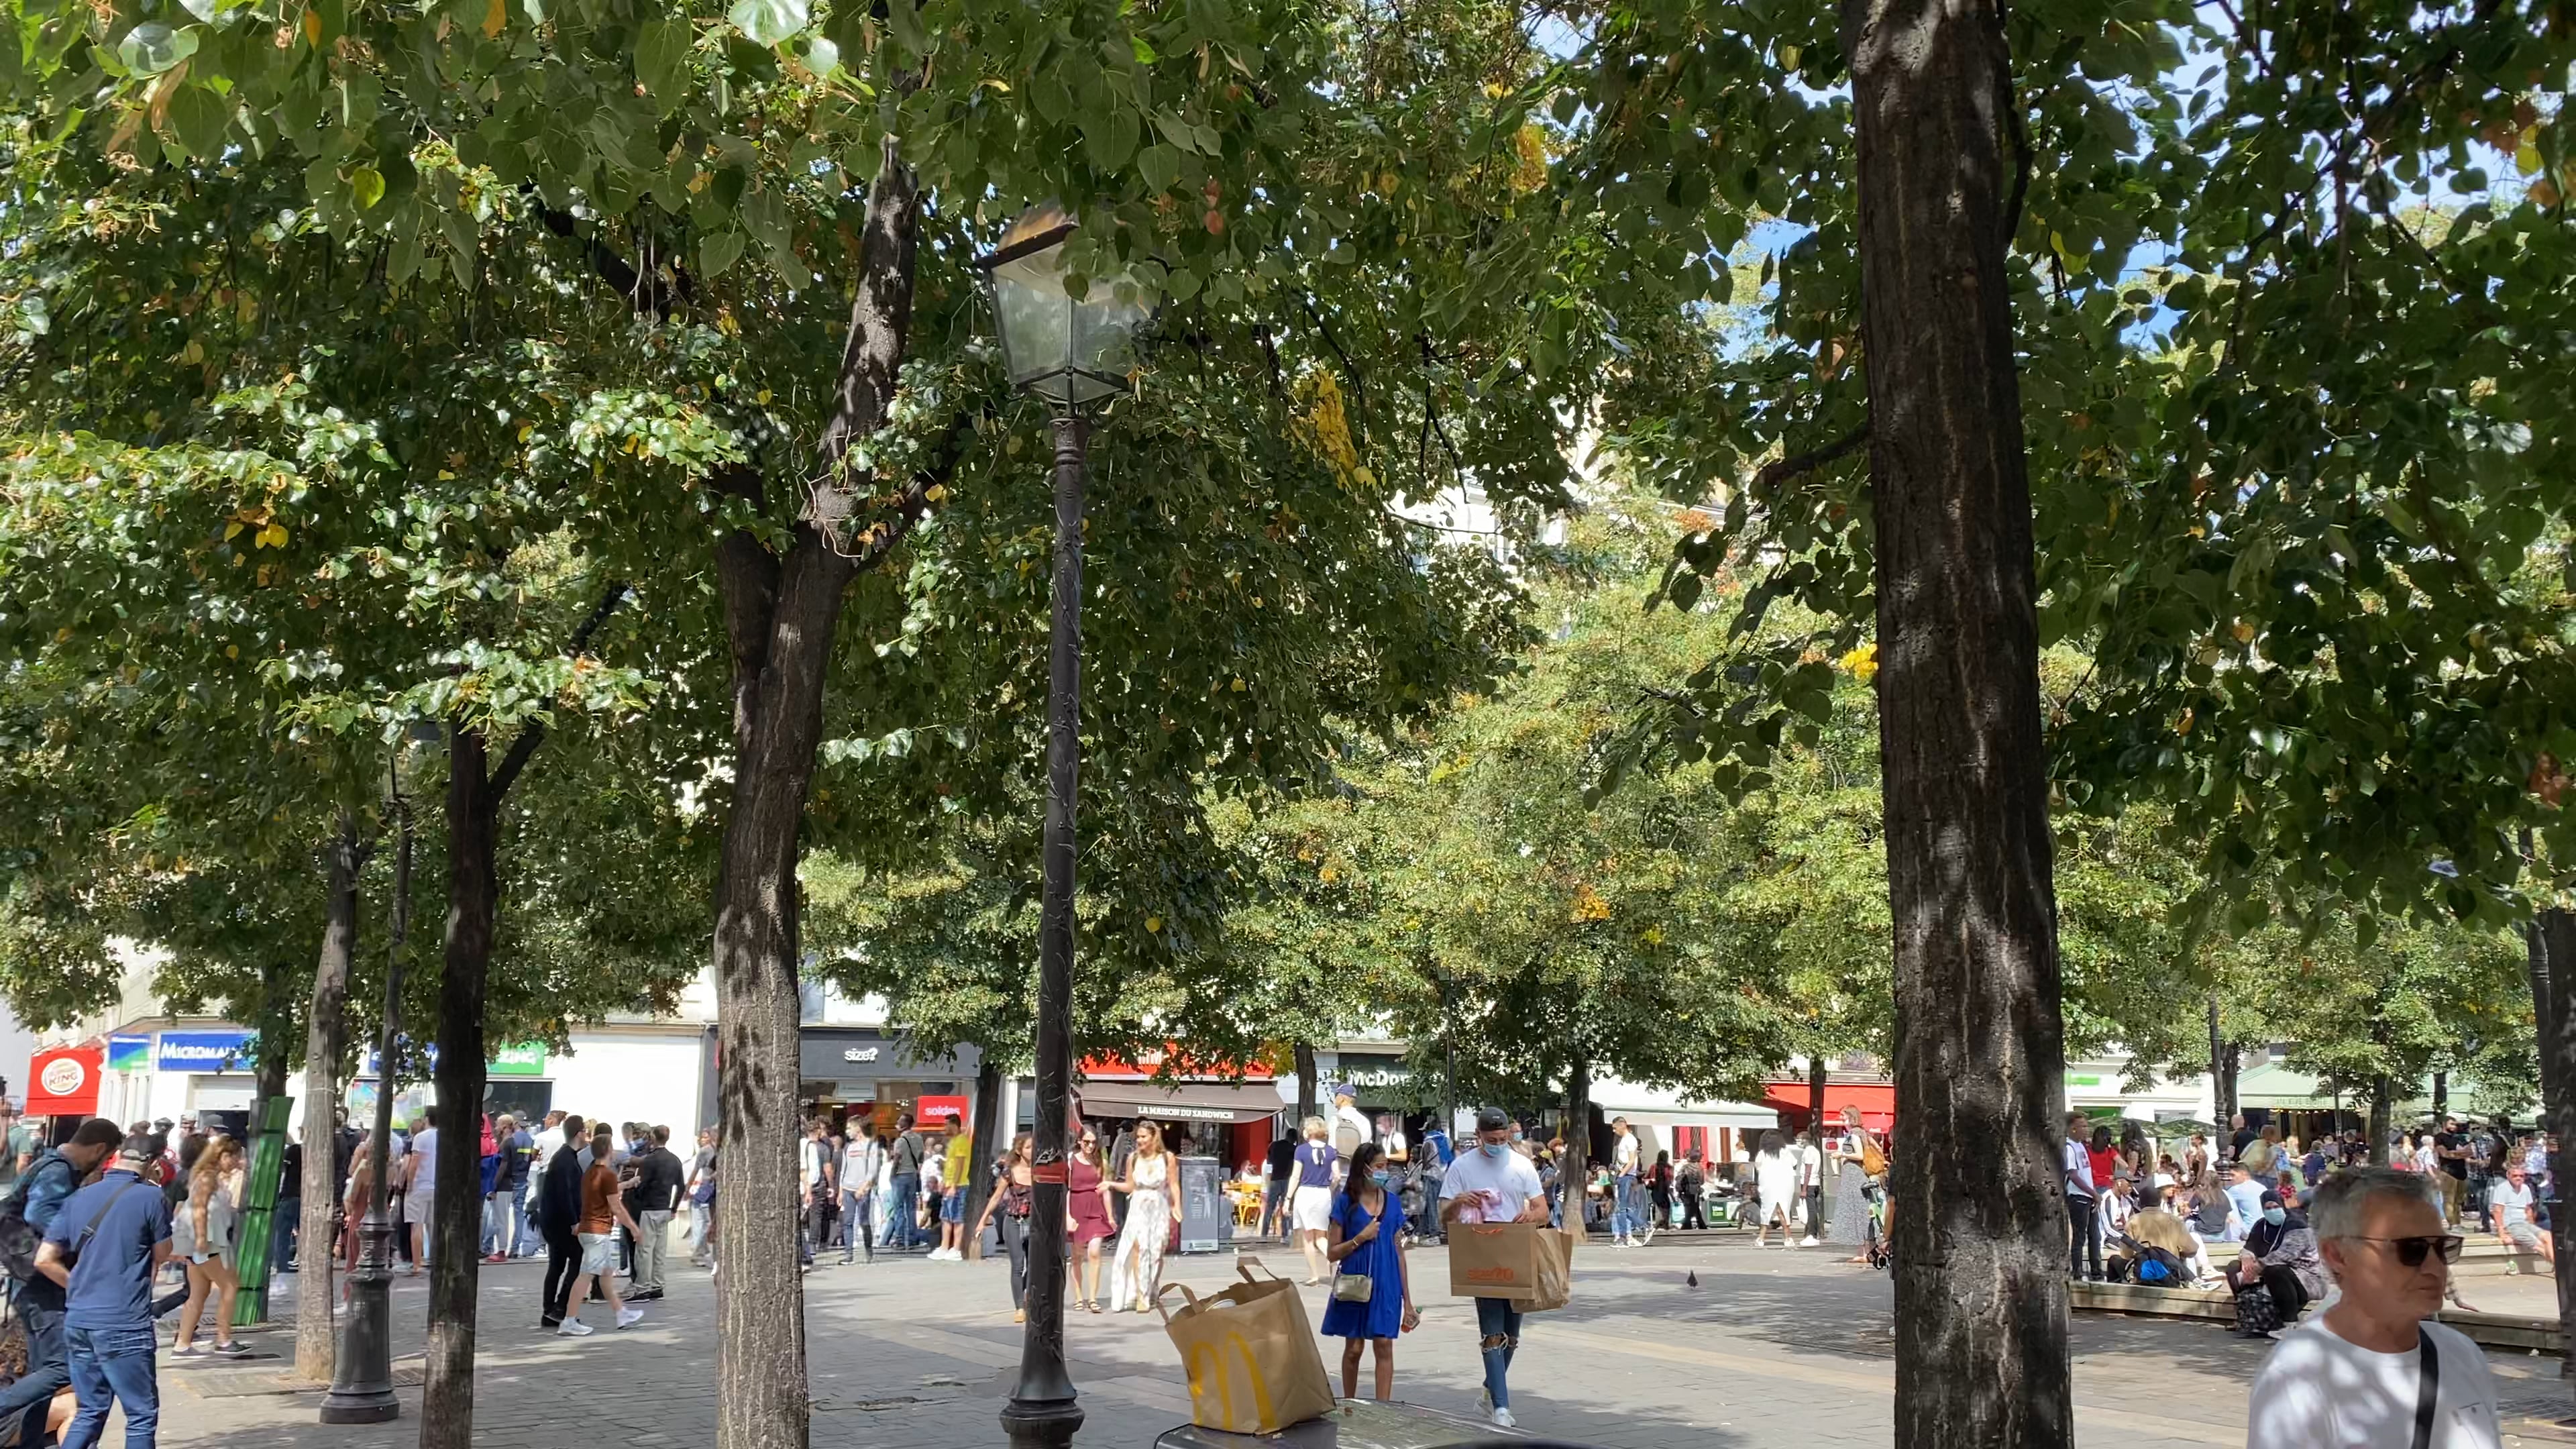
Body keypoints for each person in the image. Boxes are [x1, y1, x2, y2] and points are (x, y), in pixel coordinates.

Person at [2244, 1167, 2498, 1444]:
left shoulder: (2462, 1354)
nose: (2435, 1267)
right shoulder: (2297, 1378)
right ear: (2338, 1255)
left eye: (2443, 1247)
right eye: (2411, 1249)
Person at [37, 1132, 171, 1449]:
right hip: (124, 1321)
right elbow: (163, 1253)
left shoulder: (79, 1197)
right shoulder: (151, 1198)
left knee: (89, 1410)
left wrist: (77, 1287)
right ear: (154, 1163)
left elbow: (44, 1259)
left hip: (79, 1320)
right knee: (140, 1415)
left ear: (118, 1156)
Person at [0, 1120, 123, 1434]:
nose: (103, 1164)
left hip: (31, 1284)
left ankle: (33, 1435)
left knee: (43, 1370)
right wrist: (89, 1240)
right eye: (106, 1157)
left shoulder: (48, 1163)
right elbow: (40, 1214)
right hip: (41, 1288)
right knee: (64, 1366)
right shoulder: (57, 1170)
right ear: (99, 1149)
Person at [1440, 1108, 1548, 1430]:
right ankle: (1501, 1407)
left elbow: (1542, 1209)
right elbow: (1444, 1215)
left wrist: (1531, 1216)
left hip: (1516, 1249)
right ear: (1479, 1136)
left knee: (1511, 1336)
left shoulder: (1521, 1165)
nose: (1499, 1144)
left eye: (1503, 1139)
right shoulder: (1462, 1167)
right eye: (1492, 1139)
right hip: (1480, 1251)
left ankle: (1489, 1391)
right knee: (1492, 1332)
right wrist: (1460, 1201)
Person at [1321, 1142, 1419, 1402]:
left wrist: (1408, 1302)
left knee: (1384, 1345)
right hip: (1355, 1282)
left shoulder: (1393, 1203)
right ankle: (1349, 1404)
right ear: (1364, 1168)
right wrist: (1360, 1238)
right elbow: (1332, 1253)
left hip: (1387, 1283)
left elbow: (1399, 1252)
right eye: (1379, 1166)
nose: (1384, 1171)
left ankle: (1382, 1409)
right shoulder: (1346, 1203)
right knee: (1354, 1348)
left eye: (1386, 1166)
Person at [560, 1127, 646, 1338]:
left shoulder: (591, 1173)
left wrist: (626, 1184)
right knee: (586, 1276)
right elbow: (616, 1206)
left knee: (606, 1274)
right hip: (598, 1231)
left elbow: (605, 1192)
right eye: (612, 1147)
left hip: (590, 1229)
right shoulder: (607, 1174)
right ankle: (569, 1321)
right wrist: (634, 1228)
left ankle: (621, 1314)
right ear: (608, 1150)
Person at [168, 1136, 246, 1358]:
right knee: (229, 1286)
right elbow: (199, 1209)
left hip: (202, 1241)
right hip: (209, 1241)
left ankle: (183, 1344)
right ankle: (223, 1339)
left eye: (237, 1157)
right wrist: (202, 1238)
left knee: (198, 1293)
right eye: (231, 1156)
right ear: (220, 1155)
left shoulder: (208, 1176)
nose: (235, 1161)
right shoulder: (208, 1177)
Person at [2226, 1189, 2325, 1339]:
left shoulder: (2296, 1225)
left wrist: (2257, 1267)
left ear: (2282, 1205)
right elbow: (2249, 1246)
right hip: (2267, 1272)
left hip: (2306, 1278)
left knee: (2276, 1270)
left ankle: (2289, 1324)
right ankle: (2246, 1317)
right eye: (2268, 1208)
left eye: (2275, 1207)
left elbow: (2286, 1255)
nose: (2273, 1211)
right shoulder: (2262, 1225)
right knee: (2234, 1267)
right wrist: (2246, 1258)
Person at [1107, 1120, 1180, 1313]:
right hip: (1138, 1205)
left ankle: (1152, 1287)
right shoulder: (1133, 1158)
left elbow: (1174, 1184)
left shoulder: (1167, 1158)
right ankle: (1140, 1295)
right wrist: (1111, 1184)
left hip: (1159, 1206)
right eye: (1137, 1137)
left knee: (1156, 1252)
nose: (1139, 1140)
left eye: (1143, 1137)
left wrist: (1177, 1207)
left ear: (1153, 1137)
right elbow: (1130, 1186)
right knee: (1139, 1249)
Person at [971, 1134, 1036, 1322]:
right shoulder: (1010, 1172)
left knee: (1034, 1265)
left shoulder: (1039, 1171)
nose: (1032, 1151)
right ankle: (1020, 1308)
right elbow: (996, 1197)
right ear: (1019, 1151)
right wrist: (982, 1220)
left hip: (1033, 1222)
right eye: (1028, 1147)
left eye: (1034, 1147)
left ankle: (1025, 1296)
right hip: (1014, 1221)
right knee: (1018, 1265)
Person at [538, 1113, 590, 1330]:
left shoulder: (565, 1157)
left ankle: (550, 1312)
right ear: (579, 1134)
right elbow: (565, 1194)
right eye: (585, 1132)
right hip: (561, 1224)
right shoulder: (566, 1160)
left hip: (554, 1222)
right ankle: (559, 1309)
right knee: (577, 1260)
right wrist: (573, 1222)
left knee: (557, 1266)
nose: (587, 1136)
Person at [627, 1126, 684, 1301]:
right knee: (659, 1250)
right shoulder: (675, 1160)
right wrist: (674, 1208)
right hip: (665, 1208)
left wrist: (636, 1195)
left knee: (644, 1250)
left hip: (650, 1208)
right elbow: (681, 1187)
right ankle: (657, 1285)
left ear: (653, 1137)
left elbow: (642, 1184)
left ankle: (643, 1288)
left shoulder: (649, 1160)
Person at [1067, 1128, 1116, 1313]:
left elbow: (1105, 1190)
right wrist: (1067, 1215)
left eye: (1094, 1142)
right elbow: (1067, 1190)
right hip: (1076, 1208)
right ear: (1079, 1141)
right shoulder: (1071, 1161)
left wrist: (1110, 1216)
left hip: (1095, 1209)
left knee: (1095, 1252)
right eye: (1087, 1142)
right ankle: (1079, 1297)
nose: (1090, 1146)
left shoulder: (1100, 1162)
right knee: (1077, 1255)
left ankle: (1093, 1298)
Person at [1291, 1116, 1340, 1285]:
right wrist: (1330, 1189)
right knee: (1321, 1236)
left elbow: (1295, 1176)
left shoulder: (1301, 1151)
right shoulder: (1331, 1151)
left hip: (1306, 1193)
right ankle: (1336, 1259)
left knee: (1308, 1238)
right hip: (1323, 1194)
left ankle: (1314, 1275)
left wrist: (1288, 1198)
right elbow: (1337, 1176)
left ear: (1309, 1132)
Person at [1830, 1106, 1878, 1261]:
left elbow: (1859, 1155)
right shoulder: (1860, 1133)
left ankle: (1865, 1252)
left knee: (1859, 1212)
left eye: (1843, 1116)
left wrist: (1841, 1154)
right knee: (1860, 1212)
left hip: (1855, 1177)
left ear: (1851, 1117)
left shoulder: (1854, 1134)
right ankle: (1866, 1252)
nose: (1841, 1119)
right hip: (1854, 1176)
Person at [2486, 1162, 2553, 1266]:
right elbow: (2497, 1211)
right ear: (2508, 1175)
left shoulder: (2525, 1188)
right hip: (2512, 1225)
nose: (2518, 1178)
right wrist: (2502, 1233)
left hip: (2525, 1224)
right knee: (2539, 1244)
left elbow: (2528, 1210)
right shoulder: (2502, 1189)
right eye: (2515, 1176)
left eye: (2521, 1176)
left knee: (2548, 1237)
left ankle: (2559, 1268)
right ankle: (2561, 1269)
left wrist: (2532, 1226)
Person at [838, 1120, 883, 1266]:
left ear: (858, 1129)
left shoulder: (871, 1145)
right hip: (848, 1188)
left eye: (849, 1128)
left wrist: (863, 1188)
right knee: (848, 1221)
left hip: (862, 1189)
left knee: (864, 1221)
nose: (847, 1131)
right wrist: (841, 1190)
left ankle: (868, 1249)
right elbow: (843, 1170)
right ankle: (848, 1254)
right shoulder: (848, 1147)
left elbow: (873, 1170)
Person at [2063, 1112, 2100, 1282]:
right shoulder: (2069, 1147)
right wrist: (2093, 1193)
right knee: (2080, 1236)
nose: (2086, 1129)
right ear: (2073, 1129)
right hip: (2078, 1196)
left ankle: (2096, 1271)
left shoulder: (2081, 1146)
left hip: (2090, 1196)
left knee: (2095, 1235)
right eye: (2082, 1126)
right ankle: (2077, 1271)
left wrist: (2093, 1193)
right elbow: (2073, 1175)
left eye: (2087, 1126)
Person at [398, 1114, 437, 1275]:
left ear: (427, 1119)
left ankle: (417, 1264)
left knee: (417, 1226)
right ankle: (436, 1261)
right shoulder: (444, 1137)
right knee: (433, 1227)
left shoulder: (421, 1138)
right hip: (436, 1186)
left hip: (419, 1186)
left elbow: (414, 1162)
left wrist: (409, 1184)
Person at [882, 1114, 924, 1251]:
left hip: (900, 1176)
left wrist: (892, 1175)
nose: (897, 1123)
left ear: (905, 1124)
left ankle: (900, 1239)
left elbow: (897, 1159)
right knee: (911, 1209)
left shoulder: (900, 1141)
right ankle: (912, 1239)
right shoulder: (918, 1138)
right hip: (912, 1176)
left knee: (899, 1208)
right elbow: (921, 1157)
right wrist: (917, 1170)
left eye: (899, 1121)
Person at [1752, 1130, 1796, 1248]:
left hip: (1768, 1184)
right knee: (1784, 1209)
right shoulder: (1786, 1152)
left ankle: (1761, 1237)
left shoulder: (1763, 1154)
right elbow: (1794, 1164)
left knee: (1766, 1210)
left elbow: (1757, 1166)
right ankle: (1788, 1237)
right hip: (1785, 1183)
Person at [796, 1118, 832, 1268]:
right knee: (810, 1218)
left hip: (806, 1188)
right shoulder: (812, 1146)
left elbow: (807, 1171)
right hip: (809, 1187)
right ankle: (808, 1251)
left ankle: (807, 1253)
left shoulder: (807, 1146)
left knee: (805, 1221)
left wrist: (808, 1190)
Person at [1607, 1116, 1642, 1248]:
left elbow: (1631, 1160)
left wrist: (1621, 1175)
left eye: (1615, 1128)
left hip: (1626, 1176)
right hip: (1624, 1175)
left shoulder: (1630, 1140)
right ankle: (1630, 1233)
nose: (1614, 1131)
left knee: (1622, 1208)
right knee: (1623, 1207)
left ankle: (1624, 1236)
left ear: (1622, 1125)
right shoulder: (1624, 1140)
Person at [686, 1128, 718, 1269]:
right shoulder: (706, 1151)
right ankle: (700, 1253)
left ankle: (708, 1254)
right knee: (708, 1224)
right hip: (708, 1190)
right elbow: (696, 1170)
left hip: (717, 1190)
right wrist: (688, 1188)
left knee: (713, 1223)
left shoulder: (723, 1149)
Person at [1261, 1128, 1297, 1243]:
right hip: (1287, 1180)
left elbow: (1269, 1162)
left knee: (1269, 1208)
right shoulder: (1294, 1149)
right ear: (1294, 1139)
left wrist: (1269, 1176)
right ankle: (1284, 1236)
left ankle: (1264, 1235)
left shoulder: (1274, 1145)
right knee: (1285, 1208)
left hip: (1275, 1179)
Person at [1674, 1150, 1708, 1231]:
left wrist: (1679, 1190)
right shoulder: (1700, 1168)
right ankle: (1696, 1225)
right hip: (1696, 1190)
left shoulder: (1685, 1167)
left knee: (1689, 1208)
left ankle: (1689, 1225)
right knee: (1694, 1207)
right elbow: (1702, 1181)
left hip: (1686, 1190)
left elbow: (1678, 1178)